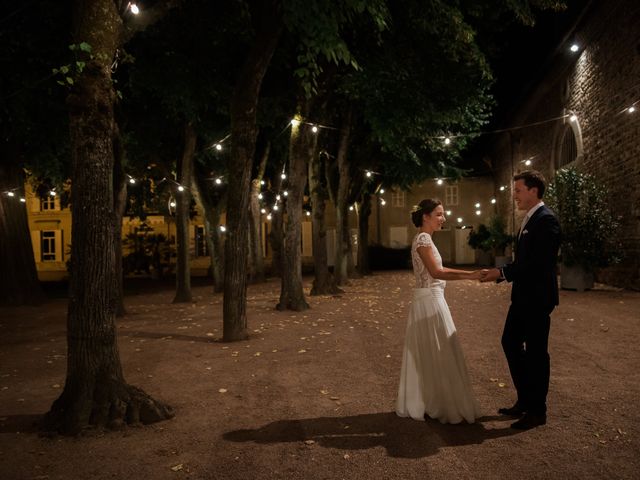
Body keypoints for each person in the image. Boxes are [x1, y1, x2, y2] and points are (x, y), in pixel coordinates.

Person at [481, 170, 561, 430]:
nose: (514, 195)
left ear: (533, 191)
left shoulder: (546, 220)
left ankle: (538, 411)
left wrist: (502, 272)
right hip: (523, 298)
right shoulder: (530, 219)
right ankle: (526, 400)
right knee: (510, 342)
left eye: (517, 190)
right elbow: (524, 261)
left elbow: (539, 264)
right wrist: (505, 274)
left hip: (537, 299)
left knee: (537, 353)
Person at [396, 199, 483, 424]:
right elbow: (437, 272)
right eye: (439, 214)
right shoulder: (423, 239)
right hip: (429, 301)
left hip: (429, 299)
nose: (443, 218)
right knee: (439, 350)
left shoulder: (425, 239)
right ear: (425, 216)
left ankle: (429, 399)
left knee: (433, 352)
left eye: (443, 214)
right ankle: (438, 402)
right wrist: (470, 275)